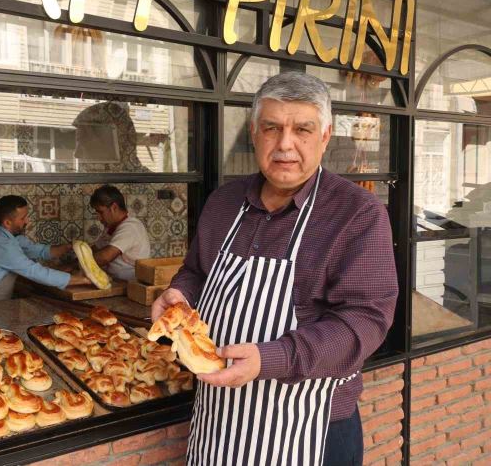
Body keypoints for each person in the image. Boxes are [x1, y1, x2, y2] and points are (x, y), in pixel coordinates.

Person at [152, 71, 398, 466]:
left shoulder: (357, 213)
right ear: (254, 133)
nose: (286, 144)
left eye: (302, 129)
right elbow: (196, 272)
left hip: (311, 430)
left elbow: (364, 323)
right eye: (272, 128)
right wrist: (179, 297)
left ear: (325, 135)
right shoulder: (224, 202)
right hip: (219, 418)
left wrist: (271, 358)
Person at [0, 195, 89, 304]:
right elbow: (34, 272)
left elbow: (39, 251)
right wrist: (84, 280)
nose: (27, 221)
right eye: (22, 218)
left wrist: (68, 247)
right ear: (7, 222)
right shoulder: (2, 244)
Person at [89, 185, 150, 281]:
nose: (99, 218)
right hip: (116, 282)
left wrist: (77, 265)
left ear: (114, 208)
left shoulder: (130, 227)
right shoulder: (111, 227)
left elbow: (105, 257)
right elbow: (94, 250)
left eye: (101, 212)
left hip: (131, 285)